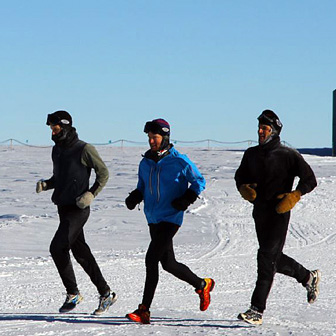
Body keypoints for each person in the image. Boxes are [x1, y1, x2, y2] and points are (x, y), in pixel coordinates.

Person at [124, 118, 214, 324]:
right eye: (149, 137)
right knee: (168, 263)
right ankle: (202, 285)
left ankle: (144, 310)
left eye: (154, 137)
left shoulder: (180, 161)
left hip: (171, 217)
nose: (151, 141)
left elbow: (199, 181)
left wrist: (187, 198)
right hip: (153, 217)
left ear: (165, 137)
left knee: (150, 259)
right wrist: (135, 196)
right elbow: (142, 186)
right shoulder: (145, 162)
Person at [234, 109, 320, 325]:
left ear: (274, 131)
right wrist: (243, 189)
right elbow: (239, 177)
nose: (260, 132)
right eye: (259, 128)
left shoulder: (288, 155)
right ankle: (308, 277)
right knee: (272, 258)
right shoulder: (251, 154)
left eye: (265, 128)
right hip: (259, 212)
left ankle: (257, 310)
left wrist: (295, 195)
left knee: (265, 258)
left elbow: (310, 179)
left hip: (279, 213)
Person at [36, 110, 117, 315]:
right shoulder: (57, 150)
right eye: (50, 128)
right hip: (63, 207)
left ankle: (73, 293)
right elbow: (60, 178)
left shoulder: (84, 149)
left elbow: (104, 173)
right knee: (81, 252)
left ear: (64, 126)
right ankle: (106, 294)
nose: (52, 132)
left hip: (79, 209)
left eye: (55, 128)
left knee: (57, 247)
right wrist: (47, 184)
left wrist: (91, 193)